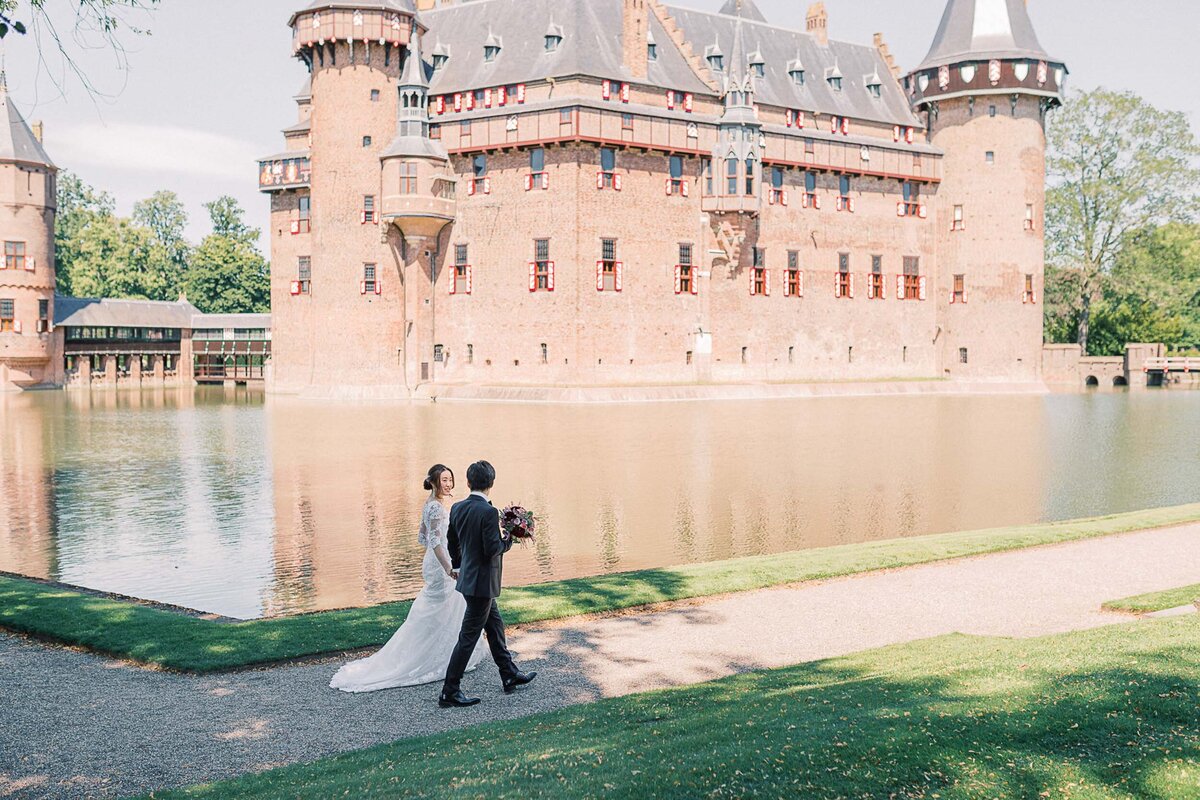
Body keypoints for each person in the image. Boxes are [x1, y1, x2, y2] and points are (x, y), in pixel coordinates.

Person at [329, 465, 485, 692]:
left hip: (432, 562)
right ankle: (434, 658)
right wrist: (450, 567)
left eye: (450, 479)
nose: (449, 484)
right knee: (442, 606)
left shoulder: (431, 504)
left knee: (447, 606)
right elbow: (435, 542)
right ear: (433, 482)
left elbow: (422, 537)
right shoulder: (436, 509)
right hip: (441, 563)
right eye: (444, 480)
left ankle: (445, 653)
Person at [439, 460, 536, 707]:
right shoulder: (488, 512)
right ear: (491, 484)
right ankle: (450, 691)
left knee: (495, 627)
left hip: (471, 580)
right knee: (469, 637)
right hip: (481, 584)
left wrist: (458, 565)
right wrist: (510, 539)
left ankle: (509, 674)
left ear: (469, 482)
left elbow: (452, 542)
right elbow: (493, 548)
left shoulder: (458, 508)